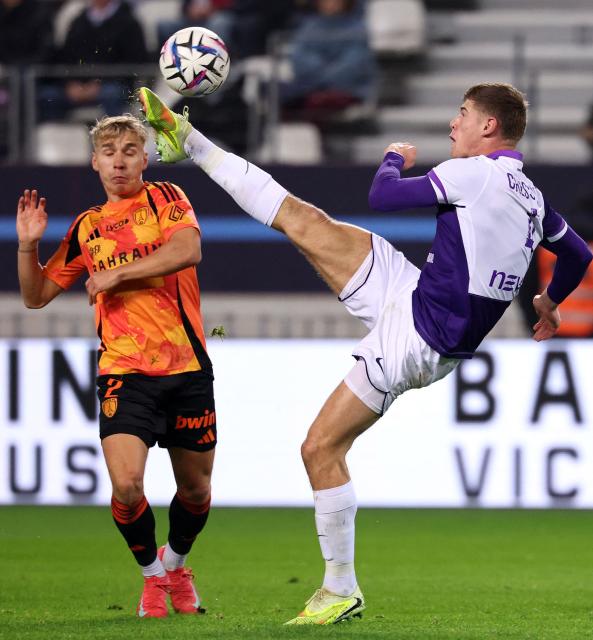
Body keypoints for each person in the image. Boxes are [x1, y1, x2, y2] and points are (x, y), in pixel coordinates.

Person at [137, 83, 593, 624]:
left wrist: (392, 159)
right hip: (414, 294)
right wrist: (550, 300)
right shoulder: (533, 197)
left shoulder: (474, 173)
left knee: (318, 449)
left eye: (463, 114)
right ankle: (187, 139)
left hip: (417, 339)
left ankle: (340, 587)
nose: (454, 124)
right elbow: (579, 252)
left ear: (489, 127)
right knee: (303, 220)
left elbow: (384, 195)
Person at [16, 114, 216, 619]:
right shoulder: (87, 227)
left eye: (130, 149)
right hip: (123, 371)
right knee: (127, 485)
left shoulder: (167, 198)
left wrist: (117, 275)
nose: (120, 159)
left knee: (195, 490)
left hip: (186, 366)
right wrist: (27, 245)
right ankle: (153, 580)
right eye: (110, 152)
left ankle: (177, 565)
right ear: (95, 163)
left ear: (144, 159)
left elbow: (187, 248)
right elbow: (36, 295)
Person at [40, 0, 147, 121]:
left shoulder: (129, 22)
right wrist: (69, 84)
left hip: (113, 86)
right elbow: (66, 58)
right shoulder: (78, 21)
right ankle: (55, 139)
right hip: (78, 85)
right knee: (48, 96)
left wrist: (98, 85)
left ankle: (114, 136)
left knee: (111, 94)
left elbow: (134, 63)